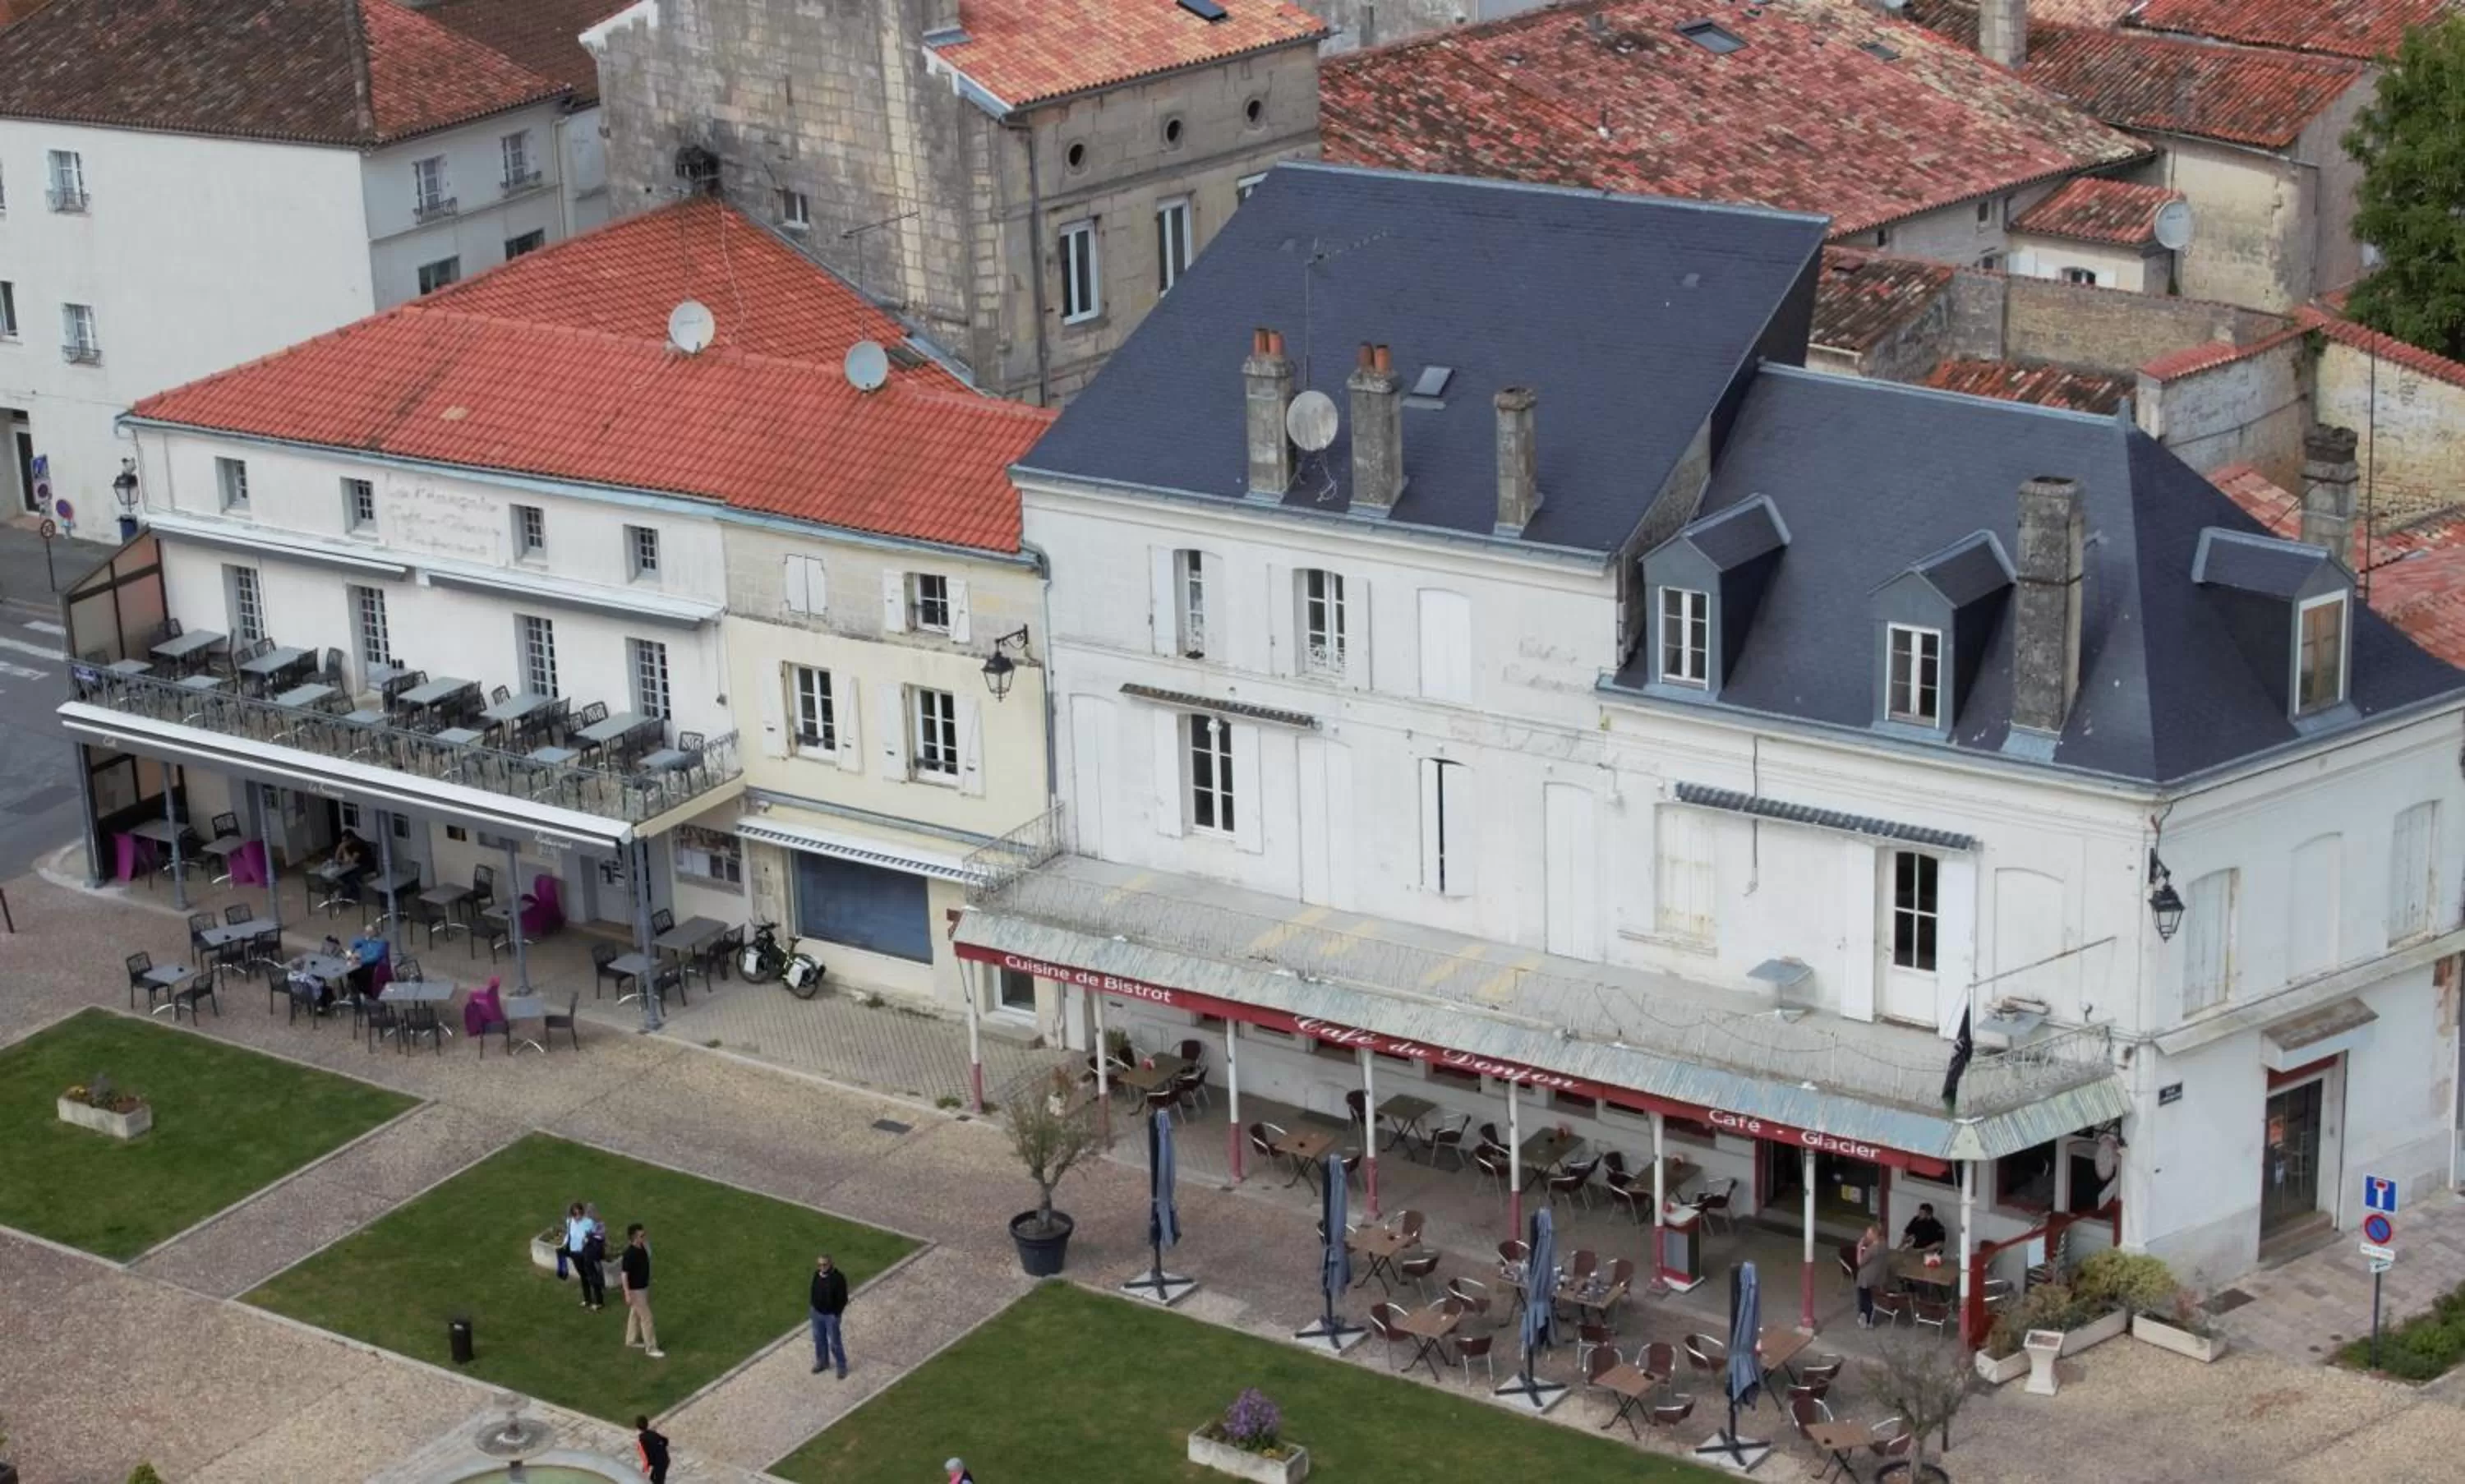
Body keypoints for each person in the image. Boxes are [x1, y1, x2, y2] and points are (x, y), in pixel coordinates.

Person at [620, 1224, 662, 1358]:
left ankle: (631, 1340)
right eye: (642, 1235)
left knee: (635, 1314)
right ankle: (651, 1348)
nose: (645, 1237)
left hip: (643, 1288)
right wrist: (627, 1293)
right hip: (635, 1291)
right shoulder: (629, 1254)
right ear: (634, 1237)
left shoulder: (643, 1247)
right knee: (647, 1318)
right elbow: (624, 1275)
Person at [810, 1252, 850, 1378]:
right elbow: (813, 1290)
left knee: (834, 1342)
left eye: (824, 1264)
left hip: (830, 1316)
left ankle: (841, 1365)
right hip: (817, 1313)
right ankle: (822, 1362)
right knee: (819, 1339)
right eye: (819, 1265)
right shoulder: (817, 1275)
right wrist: (813, 1306)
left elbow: (843, 1298)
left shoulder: (838, 1278)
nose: (822, 1267)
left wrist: (836, 1313)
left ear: (830, 1264)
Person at [1854, 1223, 1890, 1327]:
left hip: (1866, 1278)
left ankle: (1866, 1319)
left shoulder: (1872, 1249)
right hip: (1878, 1277)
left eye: (1869, 1233)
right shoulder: (1884, 1244)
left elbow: (1860, 1263)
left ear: (1874, 1234)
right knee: (1869, 1297)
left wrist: (1859, 1248)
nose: (1866, 1235)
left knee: (1864, 1299)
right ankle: (1869, 1319)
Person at [577, 1202, 608, 1311]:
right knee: (586, 1276)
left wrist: (590, 1237)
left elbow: (600, 1238)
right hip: (586, 1254)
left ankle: (599, 1301)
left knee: (595, 1277)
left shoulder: (599, 1224)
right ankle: (588, 1299)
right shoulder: (585, 1224)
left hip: (593, 1255)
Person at [344, 929, 389, 1002]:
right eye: (365, 932)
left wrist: (360, 961)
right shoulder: (366, 940)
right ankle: (353, 990)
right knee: (350, 970)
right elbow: (355, 943)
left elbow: (375, 957)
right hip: (363, 962)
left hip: (375, 965)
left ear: (374, 933)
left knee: (362, 972)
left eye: (368, 932)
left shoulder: (380, 943)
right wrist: (352, 952)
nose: (365, 934)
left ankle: (364, 992)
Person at [559, 1201, 590, 1284]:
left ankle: (594, 1287)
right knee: (582, 1274)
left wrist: (587, 1240)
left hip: (584, 1251)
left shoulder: (587, 1222)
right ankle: (587, 1294)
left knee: (588, 1272)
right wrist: (564, 1244)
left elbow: (591, 1235)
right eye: (575, 1214)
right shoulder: (569, 1222)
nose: (578, 1216)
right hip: (574, 1252)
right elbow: (569, 1234)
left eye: (579, 1213)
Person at [634, 1415, 670, 1484]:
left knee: (657, 1481)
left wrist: (645, 1468)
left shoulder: (642, 1439)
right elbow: (665, 1440)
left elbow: (645, 1457)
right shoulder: (652, 1433)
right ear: (647, 1424)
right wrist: (661, 1448)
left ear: (637, 1427)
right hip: (664, 1459)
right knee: (653, 1479)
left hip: (660, 1463)